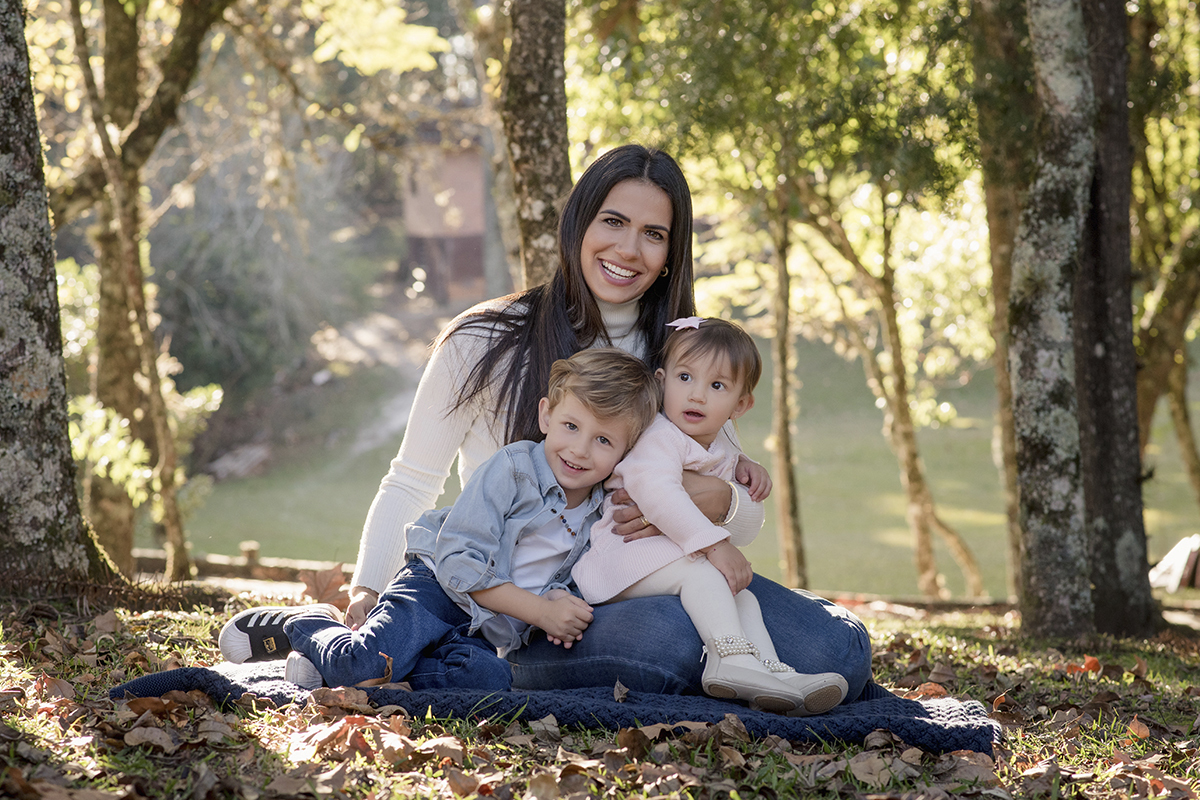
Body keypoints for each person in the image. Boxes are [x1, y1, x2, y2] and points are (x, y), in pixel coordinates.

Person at [346, 143, 874, 701]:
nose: (629, 248)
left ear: (672, 251)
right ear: (578, 225)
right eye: (613, 221)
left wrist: (703, 495)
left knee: (839, 650)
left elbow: (741, 520)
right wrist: (366, 592)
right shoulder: (485, 340)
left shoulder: (682, 359)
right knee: (669, 639)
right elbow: (411, 481)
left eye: (653, 233)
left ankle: (742, 664)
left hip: (664, 573)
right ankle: (483, 660)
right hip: (544, 609)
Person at [219, 349, 660, 689]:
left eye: (603, 439)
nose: (580, 450)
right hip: (434, 588)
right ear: (546, 414)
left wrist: (564, 606)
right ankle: (309, 625)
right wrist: (542, 612)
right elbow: (459, 563)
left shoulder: (602, 510)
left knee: (488, 682)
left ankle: (347, 667)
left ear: (628, 450)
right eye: (570, 426)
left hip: (483, 627)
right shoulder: (512, 470)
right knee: (368, 664)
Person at [572, 318, 847, 715]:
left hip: (663, 558)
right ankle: (729, 659)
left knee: (743, 597)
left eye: (716, 386)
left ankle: (772, 673)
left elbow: (722, 466)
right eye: (685, 378)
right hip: (622, 558)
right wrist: (717, 545)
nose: (696, 395)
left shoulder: (716, 441)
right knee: (706, 575)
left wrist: (746, 465)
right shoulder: (658, 436)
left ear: (741, 405)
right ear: (662, 381)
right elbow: (658, 495)